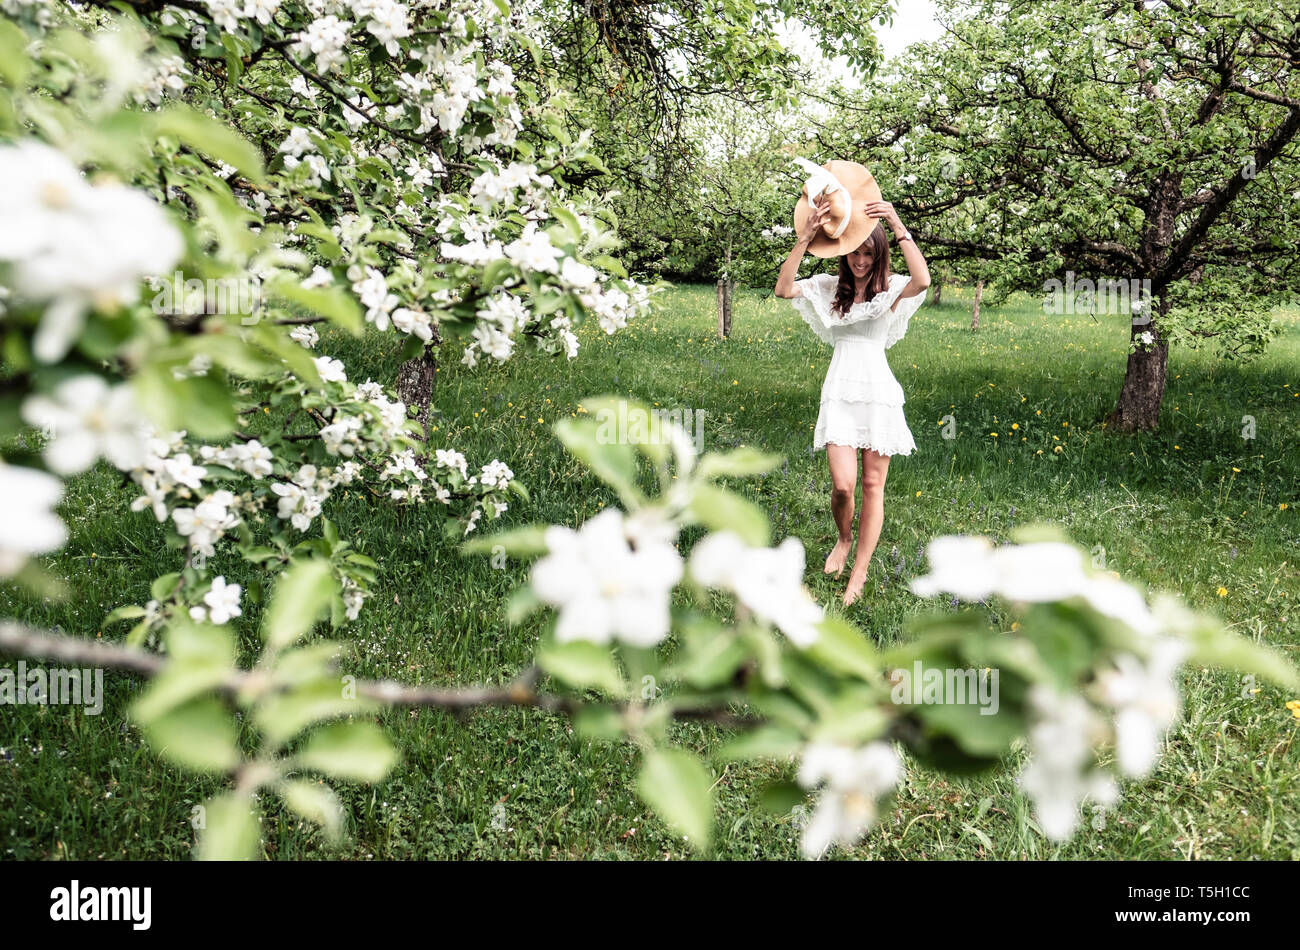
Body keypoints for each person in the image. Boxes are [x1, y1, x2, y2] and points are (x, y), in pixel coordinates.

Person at [774, 190, 930, 606]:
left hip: (878, 393)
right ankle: (843, 538)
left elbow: (924, 280)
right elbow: (783, 288)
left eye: (868, 254)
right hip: (840, 391)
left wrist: (896, 225)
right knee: (843, 486)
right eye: (854, 254)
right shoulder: (829, 287)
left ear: (879, 256)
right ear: (844, 256)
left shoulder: (891, 289)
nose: (861, 261)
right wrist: (805, 238)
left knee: (873, 485)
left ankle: (859, 572)